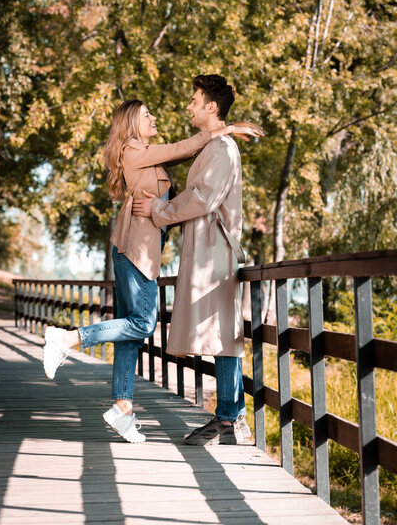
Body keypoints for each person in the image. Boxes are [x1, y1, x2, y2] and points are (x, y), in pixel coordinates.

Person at [42, 98, 263, 444]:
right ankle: (68, 338)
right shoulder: (133, 149)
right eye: (147, 114)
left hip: (138, 249)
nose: (155, 116)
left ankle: (123, 409)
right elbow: (184, 146)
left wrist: (221, 134)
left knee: (130, 331)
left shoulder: (146, 153)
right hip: (136, 250)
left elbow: (187, 151)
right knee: (143, 323)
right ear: (131, 124)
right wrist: (229, 127)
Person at [133, 74, 260, 445]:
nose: (189, 106)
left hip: (215, 255)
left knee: (223, 335)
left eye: (194, 100)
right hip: (206, 251)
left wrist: (158, 208)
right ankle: (230, 418)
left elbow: (202, 199)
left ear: (211, 107)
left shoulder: (222, 151)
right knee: (220, 335)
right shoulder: (214, 146)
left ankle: (227, 418)